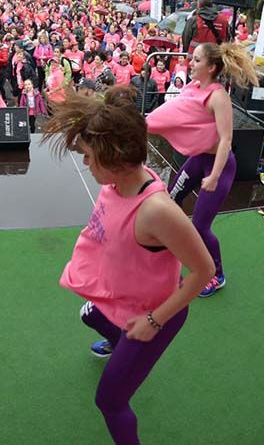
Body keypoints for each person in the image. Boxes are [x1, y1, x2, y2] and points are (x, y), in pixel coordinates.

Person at [43, 86, 214, 445]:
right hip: (118, 296)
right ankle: (118, 341)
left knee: (109, 401)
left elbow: (204, 271)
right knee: (89, 315)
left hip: (150, 314)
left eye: (90, 157)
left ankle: (128, 346)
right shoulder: (118, 182)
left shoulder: (157, 212)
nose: (86, 164)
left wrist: (154, 321)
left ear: (116, 156)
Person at [145, 42, 259, 297]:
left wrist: (215, 176)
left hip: (219, 165)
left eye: (197, 60)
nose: (190, 63)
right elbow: (179, 113)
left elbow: (226, 140)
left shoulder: (219, 97)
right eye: (192, 59)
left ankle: (217, 275)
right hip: (198, 158)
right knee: (171, 200)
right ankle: (170, 248)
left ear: (211, 66)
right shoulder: (193, 86)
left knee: (200, 225)